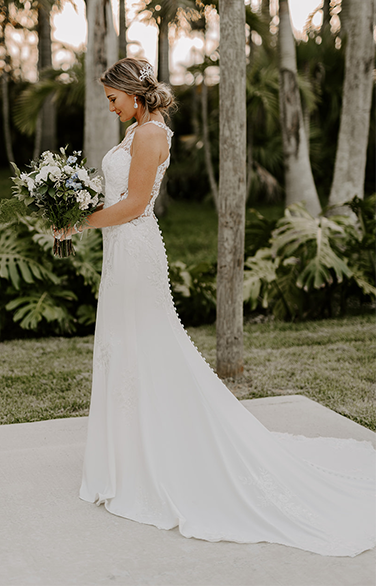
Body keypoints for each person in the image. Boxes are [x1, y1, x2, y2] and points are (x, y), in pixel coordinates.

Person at [55, 56, 376, 556]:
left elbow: (137, 204)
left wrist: (79, 222)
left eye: (114, 100)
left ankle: (155, 454)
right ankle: (133, 450)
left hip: (135, 248)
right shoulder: (137, 130)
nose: (111, 108)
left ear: (135, 96)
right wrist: (72, 202)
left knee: (144, 345)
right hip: (122, 251)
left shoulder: (151, 135)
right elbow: (116, 193)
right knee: (125, 347)